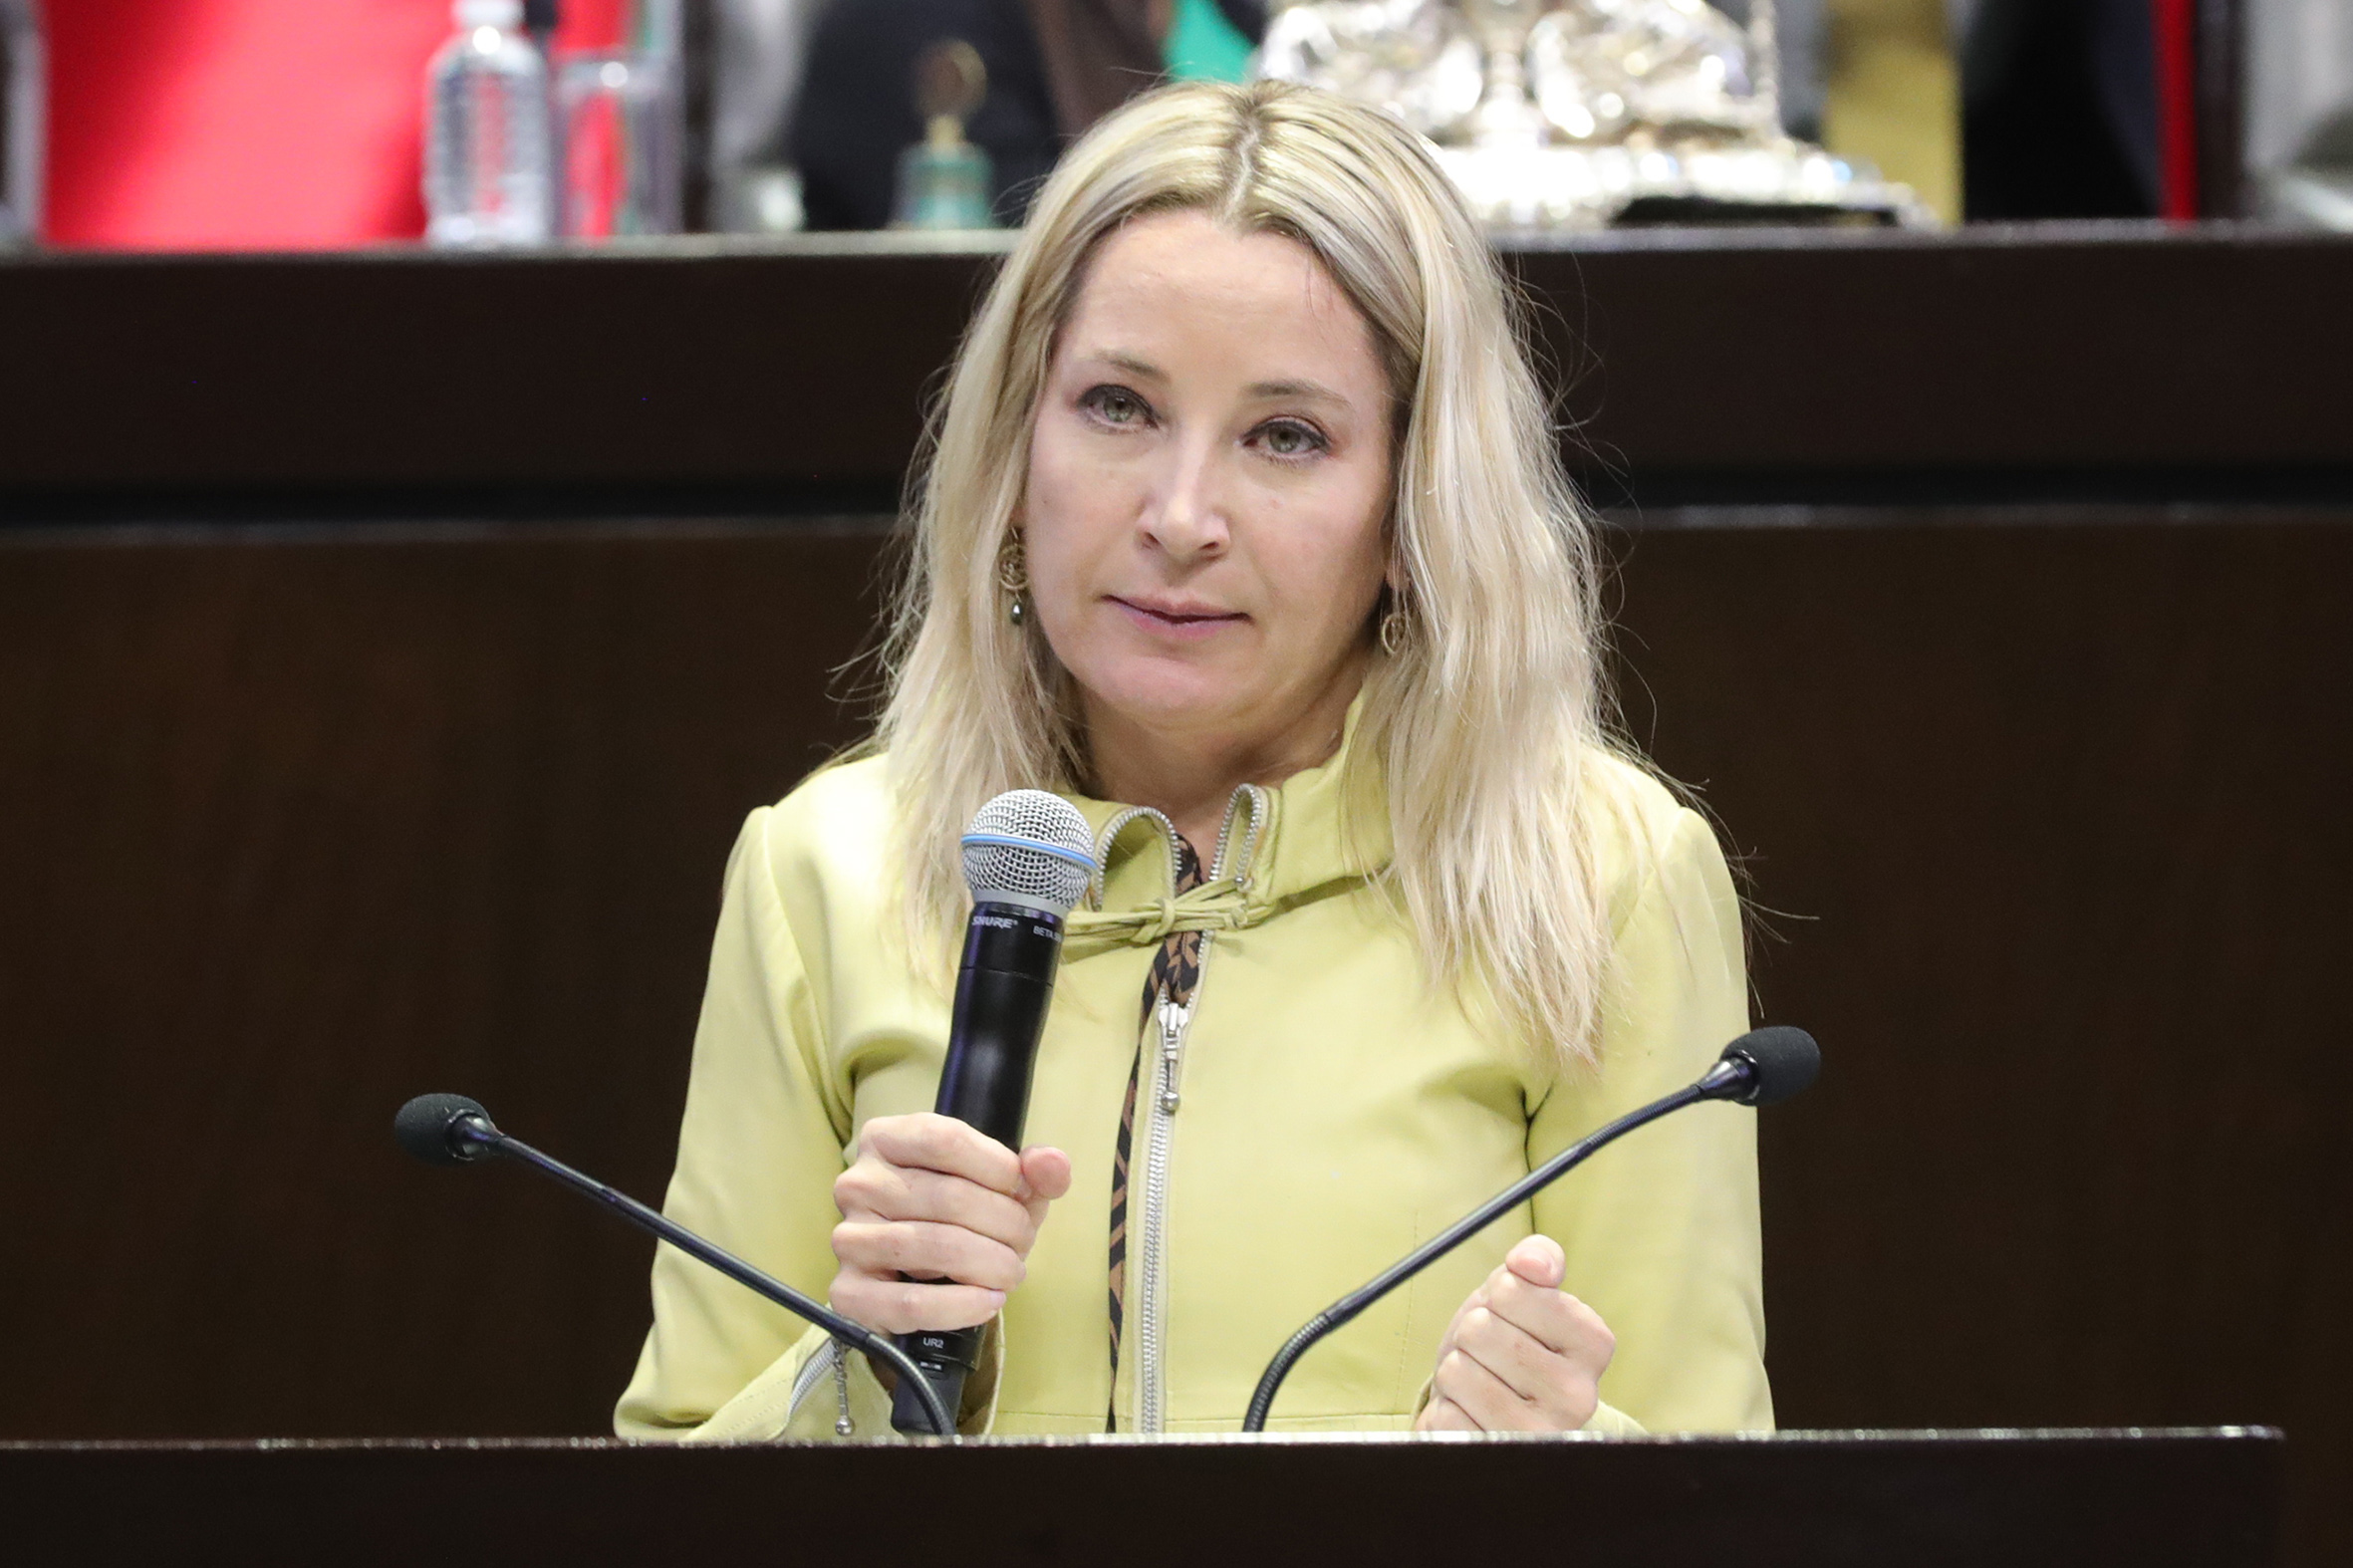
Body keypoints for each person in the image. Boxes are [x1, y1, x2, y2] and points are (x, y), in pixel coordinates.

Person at [616, 79, 1767, 1439]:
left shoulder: (1600, 876)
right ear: (1014, 448)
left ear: (1413, 508)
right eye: (1117, 406)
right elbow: (665, 1499)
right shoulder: (824, 867)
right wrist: (863, 1373)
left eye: (1285, 436)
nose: (1178, 516)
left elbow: (1719, 1493)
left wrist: (1562, 1475)